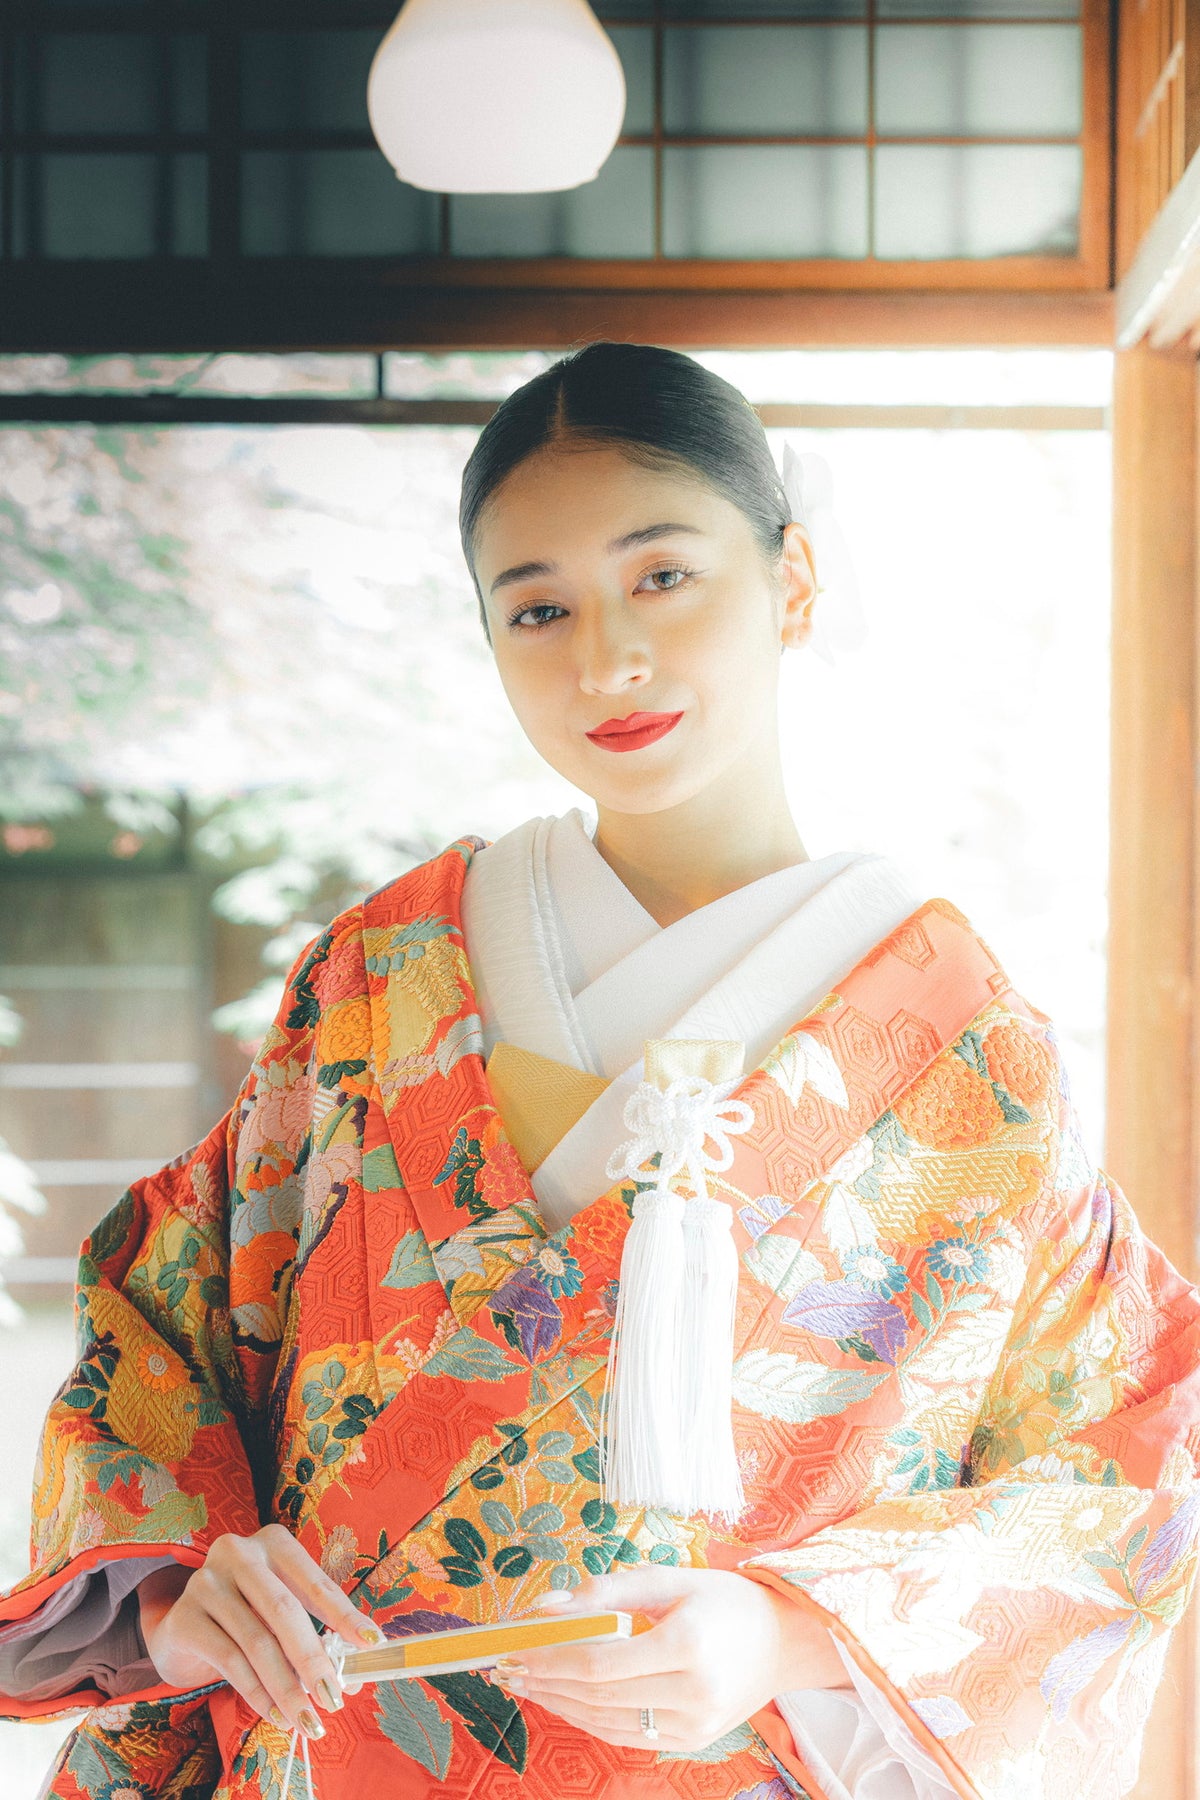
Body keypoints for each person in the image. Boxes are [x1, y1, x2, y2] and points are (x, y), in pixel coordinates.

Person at [1, 340, 1198, 1800]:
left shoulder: (966, 1044)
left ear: (794, 582)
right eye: (538, 608)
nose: (605, 660)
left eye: (663, 577)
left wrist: (783, 1633)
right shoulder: (382, 975)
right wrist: (186, 1591)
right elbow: (167, 1316)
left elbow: (1123, 1450)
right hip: (344, 1750)